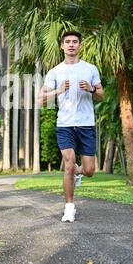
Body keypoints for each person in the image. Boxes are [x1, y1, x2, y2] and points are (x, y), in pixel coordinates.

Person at [38, 30, 104, 222]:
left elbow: (102, 95)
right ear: (62, 46)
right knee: (68, 164)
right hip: (65, 125)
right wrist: (58, 90)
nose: (71, 45)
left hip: (86, 124)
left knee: (90, 170)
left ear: (80, 45)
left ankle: (79, 172)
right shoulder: (55, 71)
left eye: (75, 41)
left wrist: (91, 89)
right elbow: (40, 99)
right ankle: (69, 208)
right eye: (67, 42)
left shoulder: (90, 69)